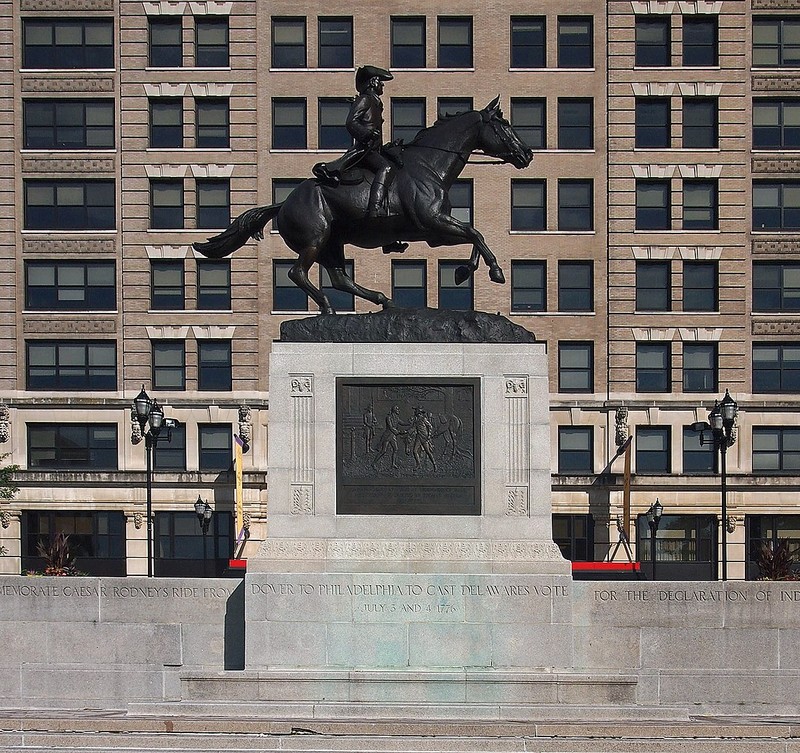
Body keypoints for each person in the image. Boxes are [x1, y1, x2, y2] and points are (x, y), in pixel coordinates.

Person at [313, 65, 408, 253]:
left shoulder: (375, 101)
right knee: (386, 169)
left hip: (376, 150)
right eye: (380, 82)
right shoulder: (365, 99)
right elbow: (351, 122)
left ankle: (389, 235)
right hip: (365, 151)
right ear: (373, 82)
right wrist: (365, 134)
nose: (382, 86)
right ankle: (375, 211)